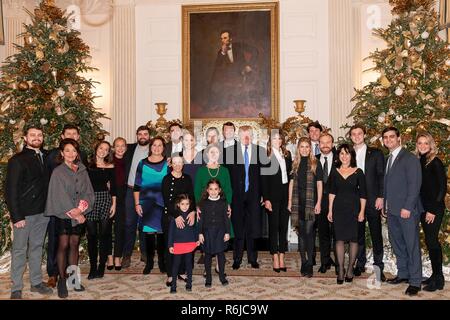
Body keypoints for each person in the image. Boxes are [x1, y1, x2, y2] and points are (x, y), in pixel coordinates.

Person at [5, 126, 53, 299]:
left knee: (37, 248)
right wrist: (17, 216)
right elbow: (10, 190)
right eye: (32, 135)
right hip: (24, 215)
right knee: (19, 250)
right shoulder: (17, 160)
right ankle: (16, 288)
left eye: (40, 135)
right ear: (25, 138)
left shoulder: (47, 156)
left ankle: (36, 282)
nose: (36, 137)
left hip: (43, 213)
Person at [45, 138, 95, 298]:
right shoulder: (58, 171)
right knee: (63, 245)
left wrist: (81, 210)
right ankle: (61, 280)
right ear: (62, 153)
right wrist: (73, 211)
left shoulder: (82, 169)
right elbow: (57, 195)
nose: (71, 154)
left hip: (79, 214)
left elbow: (88, 191)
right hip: (63, 215)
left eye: (74, 151)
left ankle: (73, 279)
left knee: (75, 244)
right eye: (67, 150)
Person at [382, 127, 423, 296]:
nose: (389, 140)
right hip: (392, 210)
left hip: (406, 211)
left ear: (399, 138)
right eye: (386, 137)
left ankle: (415, 281)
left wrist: (407, 207)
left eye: (392, 137)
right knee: (398, 243)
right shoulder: (388, 158)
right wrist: (385, 205)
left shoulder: (409, 158)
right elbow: (387, 185)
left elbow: (414, 185)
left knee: (411, 245)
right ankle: (404, 273)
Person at [349, 124, 386, 281]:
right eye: (353, 134)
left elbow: (381, 176)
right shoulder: (346, 154)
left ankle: (378, 268)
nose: (357, 136)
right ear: (350, 137)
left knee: (376, 233)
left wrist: (381, 196)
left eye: (359, 133)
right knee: (358, 234)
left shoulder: (375, 153)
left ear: (364, 135)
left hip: (372, 199)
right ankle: (360, 263)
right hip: (353, 200)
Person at [225, 126, 265, 270]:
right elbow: (226, 176)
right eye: (244, 136)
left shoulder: (260, 152)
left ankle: (253, 259)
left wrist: (263, 195)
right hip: (236, 196)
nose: (246, 138)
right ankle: (237, 258)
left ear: (252, 137)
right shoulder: (229, 152)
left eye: (249, 136)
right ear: (238, 136)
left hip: (254, 196)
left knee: (253, 228)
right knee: (238, 228)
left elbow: (264, 176)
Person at [327, 143, 367, 284]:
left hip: (354, 209)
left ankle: (350, 268)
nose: (344, 156)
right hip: (338, 209)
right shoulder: (334, 171)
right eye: (342, 154)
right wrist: (330, 210)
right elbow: (331, 192)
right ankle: (341, 269)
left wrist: (362, 211)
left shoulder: (358, 172)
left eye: (347, 153)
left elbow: (363, 194)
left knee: (353, 240)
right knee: (339, 239)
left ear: (352, 155)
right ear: (338, 156)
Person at [415, 132, 446, 292]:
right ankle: (435, 276)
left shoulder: (435, 162)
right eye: (420, 143)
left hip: (434, 208)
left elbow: (442, 189)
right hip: (423, 208)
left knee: (432, 241)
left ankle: (439, 279)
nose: (422, 146)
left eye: (426, 143)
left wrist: (432, 210)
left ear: (431, 145)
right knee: (429, 240)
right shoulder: (420, 161)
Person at [134, 136, 169, 274]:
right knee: (148, 234)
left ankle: (162, 262)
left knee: (161, 235)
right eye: (154, 145)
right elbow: (136, 186)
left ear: (163, 148)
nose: (157, 147)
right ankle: (149, 263)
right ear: (150, 147)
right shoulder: (142, 163)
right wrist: (137, 204)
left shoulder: (168, 163)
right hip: (146, 203)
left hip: (162, 203)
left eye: (160, 145)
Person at [162, 155, 196, 287]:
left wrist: (192, 211)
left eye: (180, 163)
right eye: (174, 163)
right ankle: (171, 274)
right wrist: (176, 216)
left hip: (187, 215)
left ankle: (182, 272)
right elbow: (167, 201)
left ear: (183, 164)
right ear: (171, 164)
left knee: (186, 244)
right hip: (170, 216)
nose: (177, 165)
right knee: (171, 246)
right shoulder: (166, 179)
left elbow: (191, 196)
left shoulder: (187, 178)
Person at [261, 132, 293, 273]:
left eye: (280, 138)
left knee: (283, 227)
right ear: (270, 140)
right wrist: (266, 199)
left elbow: (291, 175)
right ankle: (275, 256)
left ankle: (282, 255)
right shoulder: (266, 156)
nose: (277, 140)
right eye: (274, 138)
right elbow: (264, 180)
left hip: (286, 195)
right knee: (273, 228)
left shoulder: (287, 154)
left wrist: (291, 198)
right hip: (272, 196)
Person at [291, 137, 323, 277]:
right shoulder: (295, 164)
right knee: (301, 234)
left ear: (310, 148)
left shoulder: (315, 163)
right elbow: (291, 184)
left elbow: (320, 184)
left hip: (311, 203)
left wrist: (319, 203)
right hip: (298, 204)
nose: (304, 149)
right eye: (302, 146)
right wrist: (289, 202)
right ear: (298, 148)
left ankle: (310, 263)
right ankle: (303, 262)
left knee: (309, 234)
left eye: (307, 146)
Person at [85, 141, 117, 280]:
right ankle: (93, 266)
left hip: (105, 200)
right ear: (96, 149)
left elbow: (114, 188)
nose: (103, 151)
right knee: (92, 235)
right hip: (90, 201)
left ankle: (101, 266)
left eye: (106, 149)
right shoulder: (87, 167)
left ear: (108, 152)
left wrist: (114, 204)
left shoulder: (110, 167)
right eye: (101, 148)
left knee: (105, 234)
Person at [122, 125, 151, 268]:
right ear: (137, 136)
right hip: (130, 190)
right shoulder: (130, 149)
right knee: (129, 223)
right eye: (140, 134)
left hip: (146, 191)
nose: (143, 136)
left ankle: (145, 253)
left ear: (149, 136)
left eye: (145, 134)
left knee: (145, 223)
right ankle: (126, 254)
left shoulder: (155, 149)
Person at [208, 30, 259, 111]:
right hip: (229, 75)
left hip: (242, 72)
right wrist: (223, 53)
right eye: (221, 39)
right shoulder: (220, 52)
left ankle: (236, 103)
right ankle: (217, 104)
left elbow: (255, 51)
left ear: (230, 39)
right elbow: (217, 66)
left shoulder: (239, 45)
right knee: (215, 79)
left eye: (225, 38)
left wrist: (250, 65)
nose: (223, 41)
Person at [198, 179, 231, 287]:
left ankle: (222, 276)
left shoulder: (223, 202)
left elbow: (226, 219)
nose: (213, 191)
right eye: (211, 189)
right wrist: (200, 233)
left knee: (220, 254)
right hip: (207, 232)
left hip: (220, 232)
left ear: (219, 190)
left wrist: (227, 232)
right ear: (207, 190)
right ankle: (208, 277)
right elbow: (201, 220)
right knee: (207, 255)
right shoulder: (203, 203)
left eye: (216, 189)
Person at [168, 194, 199, 293]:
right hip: (178, 244)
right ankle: (173, 285)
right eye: (182, 204)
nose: (185, 206)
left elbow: (195, 229)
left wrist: (197, 239)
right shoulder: (175, 218)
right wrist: (170, 245)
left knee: (189, 264)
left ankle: (189, 283)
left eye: (187, 204)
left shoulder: (191, 216)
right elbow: (171, 232)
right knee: (176, 265)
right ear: (178, 205)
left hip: (190, 243)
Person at [317, 133, 337, 274]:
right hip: (320, 202)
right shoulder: (314, 160)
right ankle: (325, 261)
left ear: (332, 144)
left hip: (337, 202)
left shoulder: (341, 159)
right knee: (323, 233)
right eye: (322, 142)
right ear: (318, 145)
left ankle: (338, 261)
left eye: (328, 142)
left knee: (337, 234)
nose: (325, 145)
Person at [111, 137, 127, 270]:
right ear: (113, 148)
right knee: (107, 229)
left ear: (126, 148)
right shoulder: (108, 161)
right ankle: (109, 257)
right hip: (109, 196)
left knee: (120, 229)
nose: (120, 148)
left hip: (124, 197)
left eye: (123, 146)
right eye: (117, 146)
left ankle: (117, 257)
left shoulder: (128, 161)